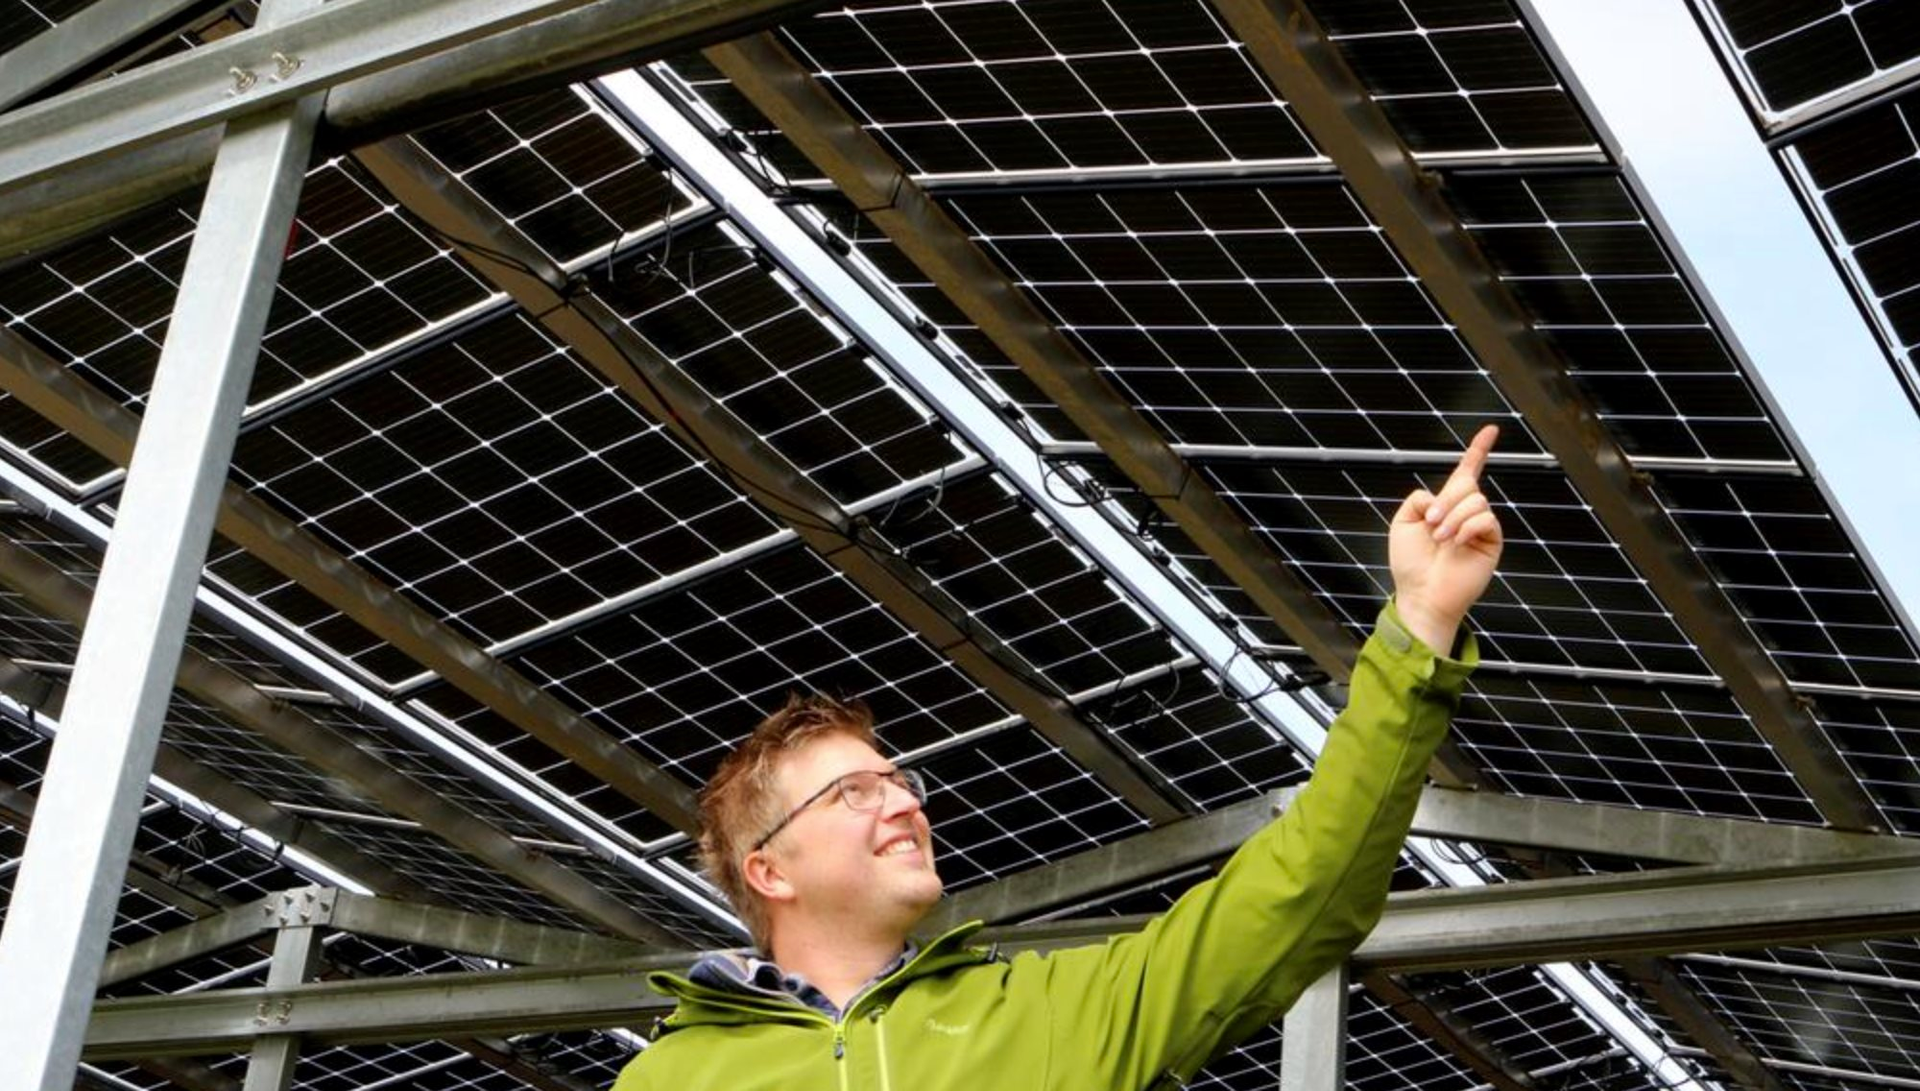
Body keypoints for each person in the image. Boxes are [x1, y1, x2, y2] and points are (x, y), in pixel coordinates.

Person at [613, 425, 1504, 1091]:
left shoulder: (1049, 1013)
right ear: (769, 869)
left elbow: (1299, 891)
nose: (904, 803)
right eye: (852, 792)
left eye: (899, 781)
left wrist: (1418, 627)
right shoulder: (669, 1078)